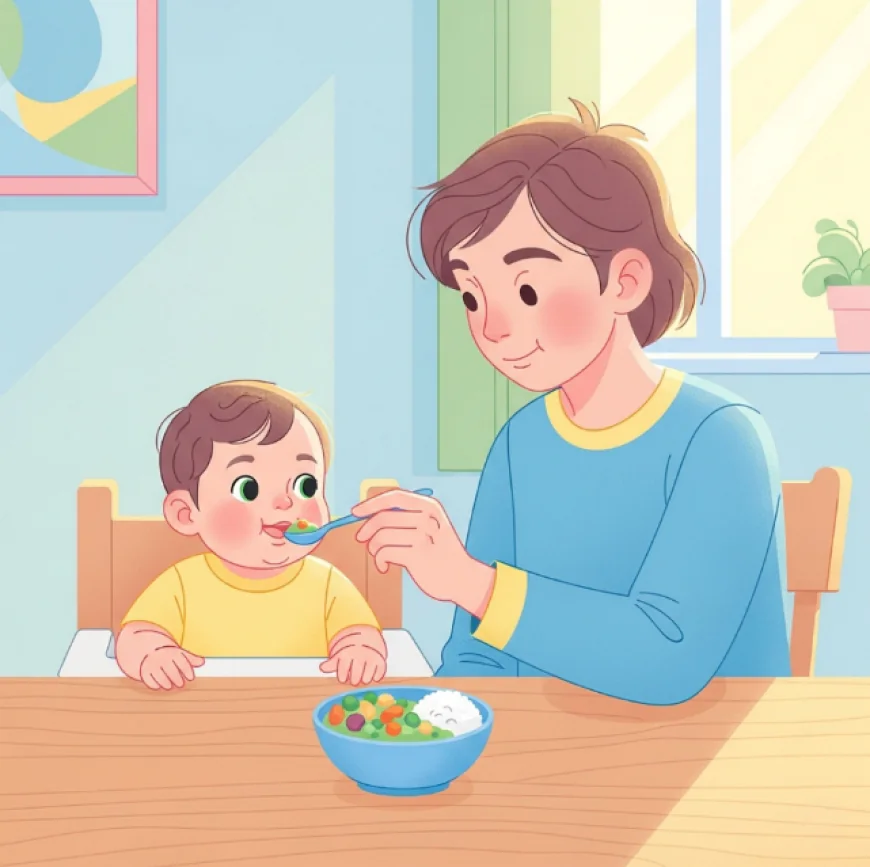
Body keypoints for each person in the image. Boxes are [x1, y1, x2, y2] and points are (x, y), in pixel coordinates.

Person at [353, 100, 790, 705]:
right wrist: (449, 731)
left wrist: (470, 583)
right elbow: (477, 651)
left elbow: (667, 656)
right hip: (552, 764)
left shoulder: (721, 438)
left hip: (710, 770)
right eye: (473, 297)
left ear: (624, 281)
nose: (495, 328)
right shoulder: (521, 441)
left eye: (526, 287)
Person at [116, 380, 386, 691]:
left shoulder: (326, 584)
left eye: (305, 485)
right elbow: (136, 634)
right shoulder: (183, 584)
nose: (285, 502)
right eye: (248, 488)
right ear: (186, 513)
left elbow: (361, 633)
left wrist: (359, 653)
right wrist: (154, 654)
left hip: (303, 715)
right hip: (201, 718)